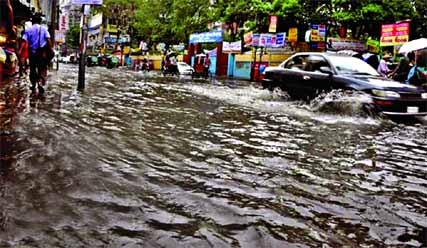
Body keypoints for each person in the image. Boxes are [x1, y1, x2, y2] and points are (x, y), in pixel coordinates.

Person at [23, 13, 52, 95]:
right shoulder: (44, 29)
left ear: (32, 21)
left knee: (32, 69)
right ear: (40, 21)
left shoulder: (28, 30)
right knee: (41, 68)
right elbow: (48, 40)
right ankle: (40, 81)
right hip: (42, 53)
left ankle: (33, 84)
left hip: (32, 53)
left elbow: (24, 41)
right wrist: (50, 50)